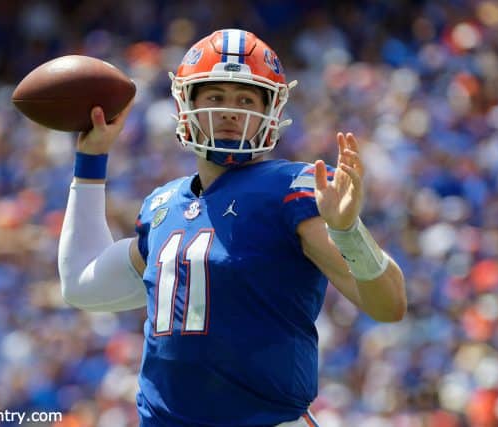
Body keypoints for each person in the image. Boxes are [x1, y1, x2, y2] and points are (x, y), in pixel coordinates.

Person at [58, 29, 407, 427]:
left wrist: (348, 232)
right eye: (215, 97)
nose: (229, 111)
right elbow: (81, 284)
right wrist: (91, 159)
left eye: (244, 99)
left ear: (271, 110)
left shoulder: (290, 189)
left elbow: (388, 304)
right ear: (186, 103)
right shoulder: (163, 206)